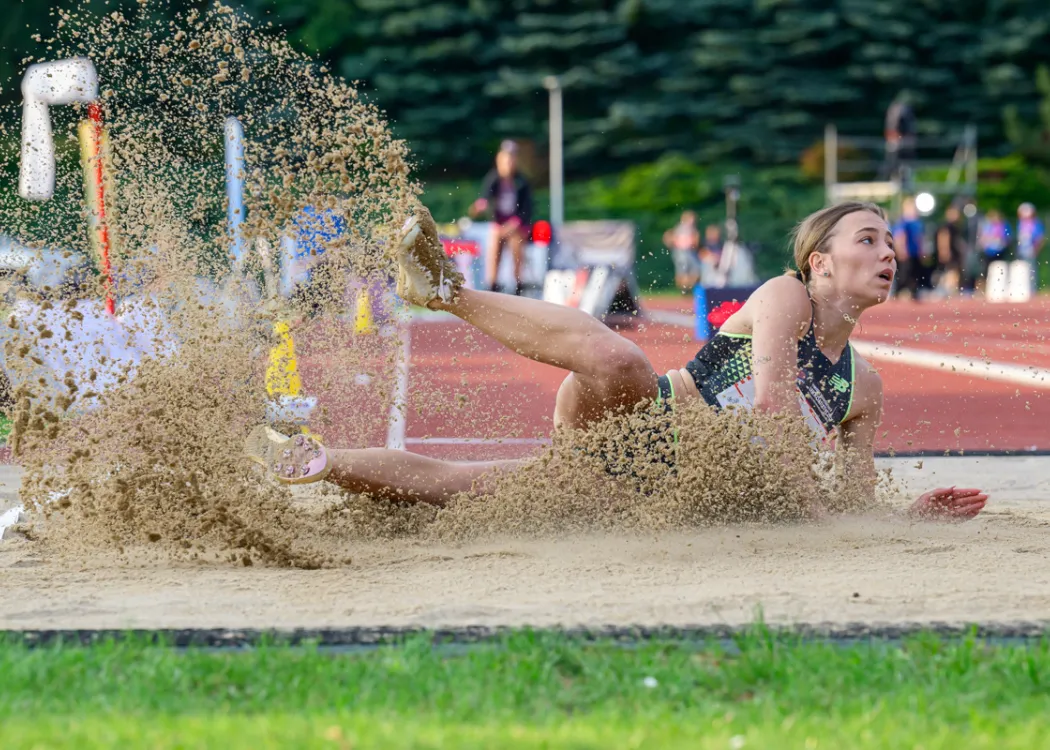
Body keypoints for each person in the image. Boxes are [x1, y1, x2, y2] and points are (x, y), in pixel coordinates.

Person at [245, 201, 988, 522]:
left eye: (891, 243)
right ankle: (445, 290)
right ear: (819, 263)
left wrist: (907, 516)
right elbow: (770, 403)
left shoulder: (867, 386)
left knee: (463, 489)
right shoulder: (786, 296)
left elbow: (854, 502)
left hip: (644, 493)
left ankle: (314, 460)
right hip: (637, 423)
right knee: (621, 361)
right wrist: (818, 515)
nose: (888, 253)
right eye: (868, 239)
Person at [470, 140, 533, 296]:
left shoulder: (522, 182)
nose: (508, 164)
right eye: (505, 160)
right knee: (494, 242)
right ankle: (493, 283)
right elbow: (485, 197)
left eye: (511, 160)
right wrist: (480, 206)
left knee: (516, 245)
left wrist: (515, 223)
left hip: (516, 224)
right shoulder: (493, 179)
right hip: (499, 223)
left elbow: (527, 207)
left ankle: (518, 284)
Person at [892, 197, 925, 300]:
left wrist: (921, 250)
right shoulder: (903, 222)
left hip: (915, 252)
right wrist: (901, 250)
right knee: (904, 274)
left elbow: (919, 238)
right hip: (907, 252)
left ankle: (914, 292)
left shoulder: (918, 222)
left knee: (916, 273)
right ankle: (897, 292)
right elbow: (899, 236)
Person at [663, 210, 702, 292]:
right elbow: (669, 237)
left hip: (688, 252)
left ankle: (686, 288)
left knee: (692, 271)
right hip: (682, 252)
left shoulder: (689, 229)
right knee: (684, 272)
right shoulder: (682, 228)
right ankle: (684, 288)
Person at [935, 204, 967, 297]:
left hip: (955, 252)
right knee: (951, 271)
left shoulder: (956, 226)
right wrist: (944, 250)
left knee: (954, 271)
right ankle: (949, 290)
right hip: (950, 252)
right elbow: (943, 237)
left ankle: (951, 289)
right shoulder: (946, 226)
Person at [976, 209, 1010, 294]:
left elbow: (1007, 238)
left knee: (1000, 270)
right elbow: (982, 238)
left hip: (1000, 251)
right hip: (988, 252)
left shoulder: (1003, 226)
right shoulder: (987, 226)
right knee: (984, 271)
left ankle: (1000, 288)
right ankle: (981, 290)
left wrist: (1002, 242)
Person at [1016, 202, 1045, 295]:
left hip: (1031, 250)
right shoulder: (1021, 223)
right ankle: (1021, 289)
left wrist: (1036, 250)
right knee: (1021, 270)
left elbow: (1040, 238)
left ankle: (1032, 290)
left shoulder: (1036, 223)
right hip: (1021, 250)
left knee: (1032, 270)